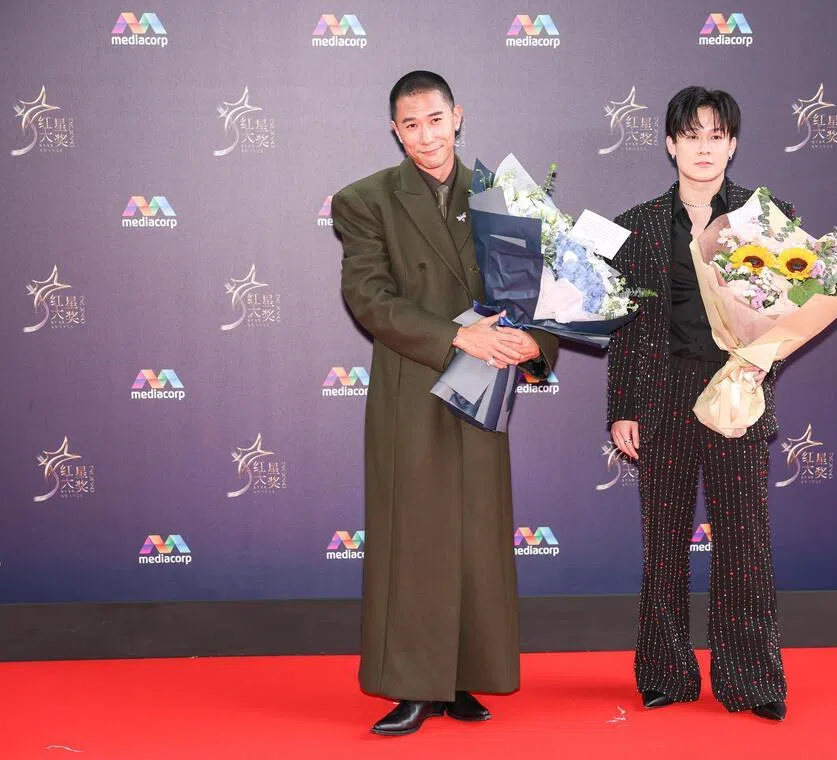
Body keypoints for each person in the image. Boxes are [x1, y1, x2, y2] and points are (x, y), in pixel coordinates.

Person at [332, 70, 558, 737]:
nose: (425, 136)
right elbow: (369, 298)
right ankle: (410, 685)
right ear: (395, 131)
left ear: (457, 116)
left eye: (435, 120)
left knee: (476, 536)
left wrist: (533, 344)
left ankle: (464, 676)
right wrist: (455, 335)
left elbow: (545, 292)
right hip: (414, 383)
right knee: (414, 539)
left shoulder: (504, 196)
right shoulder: (365, 200)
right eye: (410, 125)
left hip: (486, 386)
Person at [606, 86, 795, 721]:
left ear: (733, 144)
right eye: (692, 135)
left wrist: (756, 366)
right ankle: (665, 673)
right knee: (663, 541)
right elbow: (626, 326)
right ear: (670, 144)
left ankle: (752, 681)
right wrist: (623, 406)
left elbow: (784, 316)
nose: (704, 146)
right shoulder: (636, 224)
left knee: (745, 539)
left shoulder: (766, 219)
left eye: (716, 135)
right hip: (662, 398)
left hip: (734, 392)